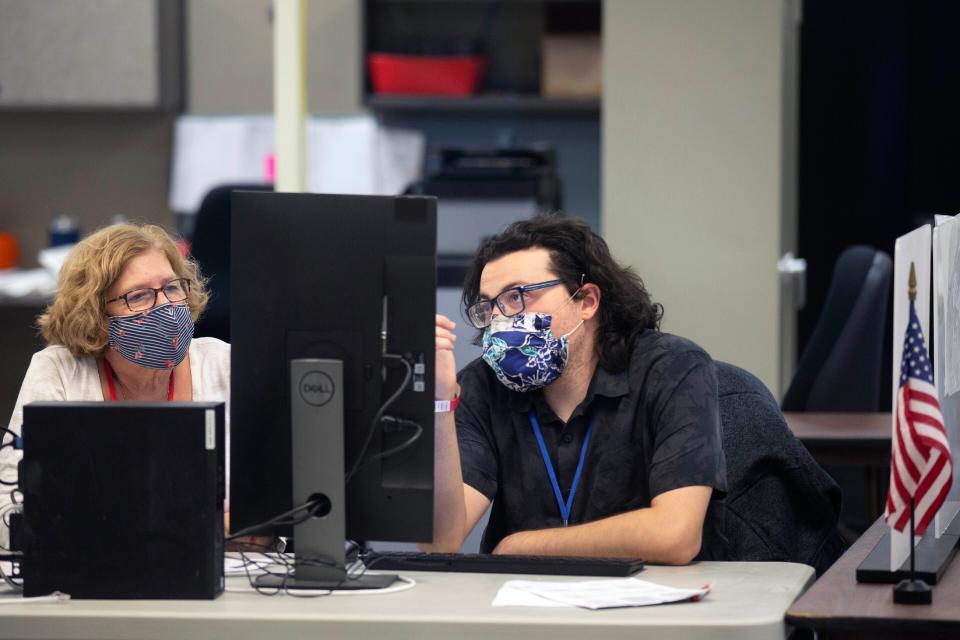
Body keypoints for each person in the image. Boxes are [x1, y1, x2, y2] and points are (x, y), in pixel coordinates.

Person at [428, 213, 727, 563]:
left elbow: (675, 537)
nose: (501, 319)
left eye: (517, 297)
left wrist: (520, 546)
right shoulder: (482, 386)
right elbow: (439, 542)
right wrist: (439, 403)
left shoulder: (673, 369)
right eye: (489, 307)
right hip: (525, 605)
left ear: (586, 301)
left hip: (653, 605)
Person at [1, 223, 233, 549]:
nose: (165, 306)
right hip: (91, 585)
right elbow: (10, 511)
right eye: (138, 296)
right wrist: (200, 525)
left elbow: (269, 516)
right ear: (96, 319)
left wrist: (104, 524)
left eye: (171, 288)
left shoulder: (224, 365)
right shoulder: (59, 371)